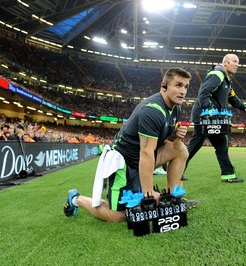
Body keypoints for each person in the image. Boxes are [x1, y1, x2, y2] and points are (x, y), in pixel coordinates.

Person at [63, 67, 197, 222]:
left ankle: (174, 198)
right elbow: (146, 152)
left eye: (186, 86)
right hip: (124, 163)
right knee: (118, 216)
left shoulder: (175, 108)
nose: (183, 91)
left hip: (142, 159)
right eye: (178, 85)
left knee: (180, 150)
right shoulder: (152, 110)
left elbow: (164, 141)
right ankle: (76, 198)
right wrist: (149, 194)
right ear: (164, 86)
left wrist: (175, 135)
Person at [184, 54, 246, 183]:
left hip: (208, 118)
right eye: (234, 62)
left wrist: (244, 108)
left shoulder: (226, 78)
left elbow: (232, 97)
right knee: (220, 144)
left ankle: (177, 170)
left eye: (238, 62)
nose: (237, 65)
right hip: (206, 117)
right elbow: (203, 94)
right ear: (225, 63)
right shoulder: (217, 75)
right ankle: (228, 175)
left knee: (204, 145)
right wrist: (211, 112)